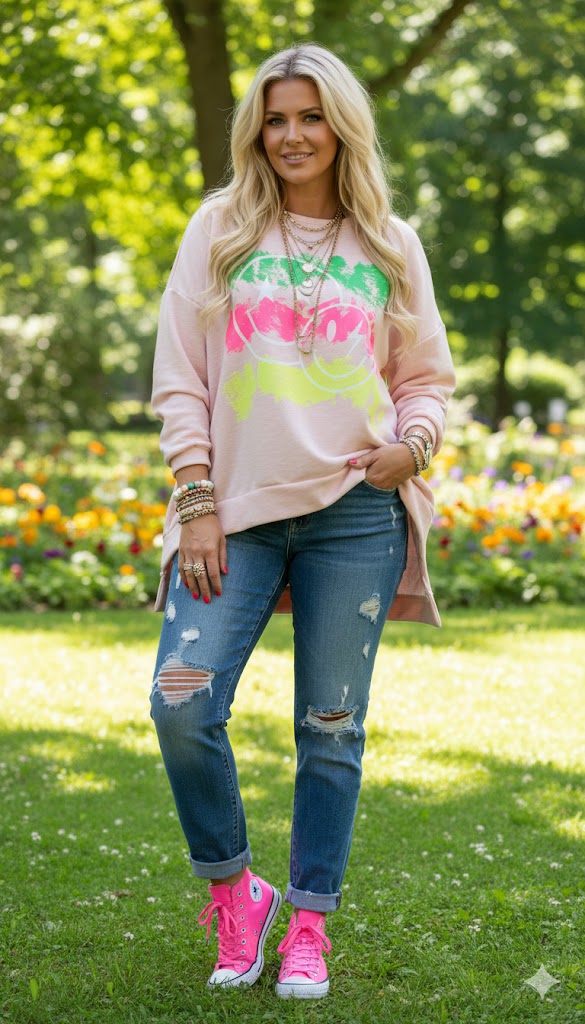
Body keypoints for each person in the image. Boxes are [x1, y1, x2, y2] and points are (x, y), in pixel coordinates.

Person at [149, 42, 455, 1000]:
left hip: (355, 515)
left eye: (310, 116)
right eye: (275, 118)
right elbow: (180, 379)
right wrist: (196, 501)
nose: (292, 135)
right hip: (233, 513)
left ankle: (309, 924)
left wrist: (414, 445)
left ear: (341, 126)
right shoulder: (219, 228)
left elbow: (425, 378)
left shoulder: (390, 242)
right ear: (256, 131)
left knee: (331, 727)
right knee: (181, 700)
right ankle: (237, 893)